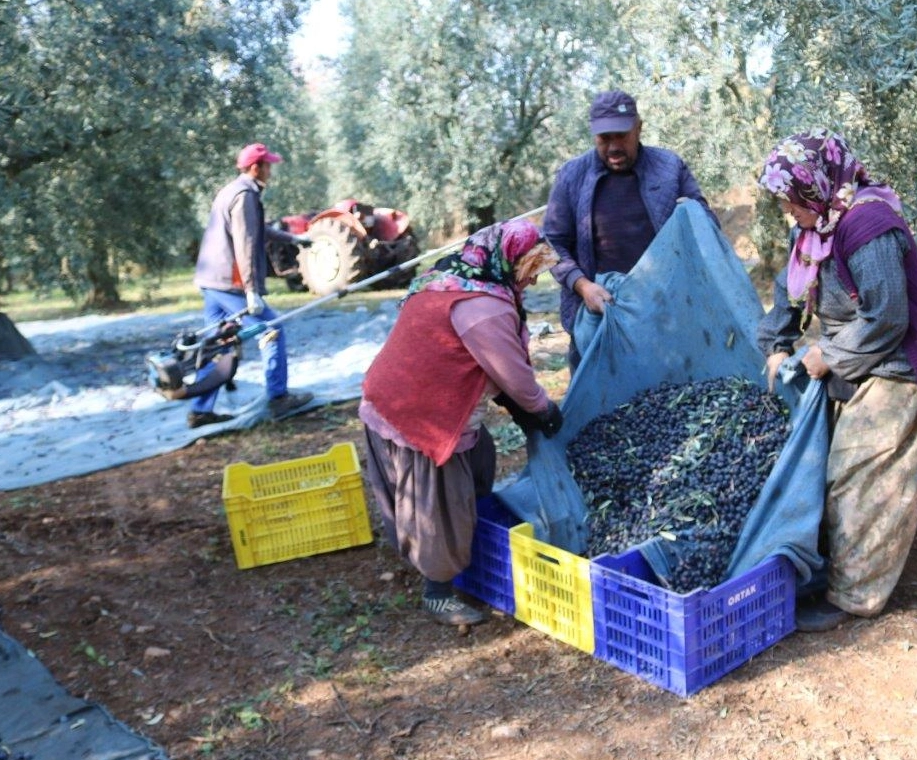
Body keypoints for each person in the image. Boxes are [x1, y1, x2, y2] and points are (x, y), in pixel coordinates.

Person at [756, 129, 917, 632]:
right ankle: (842, 561)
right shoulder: (810, 228)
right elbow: (786, 300)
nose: (787, 209)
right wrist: (777, 346)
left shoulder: (866, 223)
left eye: (790, 198)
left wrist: (827, 355)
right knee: (832, 464)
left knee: (859, 472)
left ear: (814, 185)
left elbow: (888, 316)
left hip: (905, 363)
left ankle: (854, 595)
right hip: (866, 356)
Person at [358, 219, 562, 626]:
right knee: (441, 504)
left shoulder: (452, 279)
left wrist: (520, 407)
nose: (534, 281)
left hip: (392, 396)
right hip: (423, 416)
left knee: (481, 458)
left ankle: (472, 537)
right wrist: (541, 410)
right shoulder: (483, 307)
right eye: (530, 269)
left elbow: (478, 362)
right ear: (508, 261)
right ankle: (438, 591)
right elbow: (514, 376)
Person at [543, 89, 721, 370]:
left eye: (621, 136)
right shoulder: (571, 176)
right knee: (600, 402)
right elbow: (551, 244)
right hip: (599, 311)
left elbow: (707, 225)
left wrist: (694, 213)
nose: (613, 146)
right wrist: (582, 285)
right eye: (604, 138)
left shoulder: (669, 168)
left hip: (665, 312)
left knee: (667, 396)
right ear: (593, 135)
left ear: (639, 128)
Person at [190, 142, 313, 429]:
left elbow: (256, 230)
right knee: (271, 329)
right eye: (268, 165)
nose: (271, 170)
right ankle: (279, 397)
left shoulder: (232, 190)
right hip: (230, 282)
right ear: (256, 167)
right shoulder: (245, 195)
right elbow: (245, 243)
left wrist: (293, 240)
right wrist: (251, 290)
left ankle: (200, 410)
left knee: (217, 343)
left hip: (210, 280)